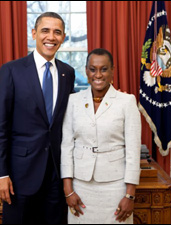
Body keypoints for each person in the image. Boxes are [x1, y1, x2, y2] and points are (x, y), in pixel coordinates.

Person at [0, 12, 75, 224]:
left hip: (56, 175)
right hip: (20, 175)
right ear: (34, 33)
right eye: (45, 31)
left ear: (63, 37)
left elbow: (67, 119)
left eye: (57, 32)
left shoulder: (68, 73)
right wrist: (0, 174)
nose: (51, 37)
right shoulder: (11, 70)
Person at [61, 48, 141, 224]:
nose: (98, 74)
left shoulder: (127, 102)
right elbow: (66, 147)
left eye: (104, 69)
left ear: (112, 70)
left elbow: (133, 153)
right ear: (86, 71)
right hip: (80, 187)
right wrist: (68, 190)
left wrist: (130, 195)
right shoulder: (73, 101)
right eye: (93, 69)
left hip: (115, 186)